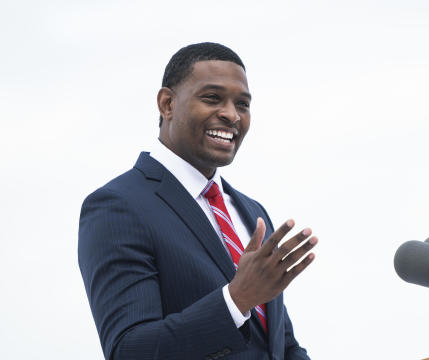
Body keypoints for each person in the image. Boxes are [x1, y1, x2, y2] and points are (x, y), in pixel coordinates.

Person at [78, 42, 317, 360]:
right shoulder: (117, 207)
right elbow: (129, 350)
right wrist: (235, 300)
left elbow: (281, 347)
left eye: (243, 104)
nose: (231, 115)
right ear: (167, 104)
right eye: (212, 98)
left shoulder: (252, 213)